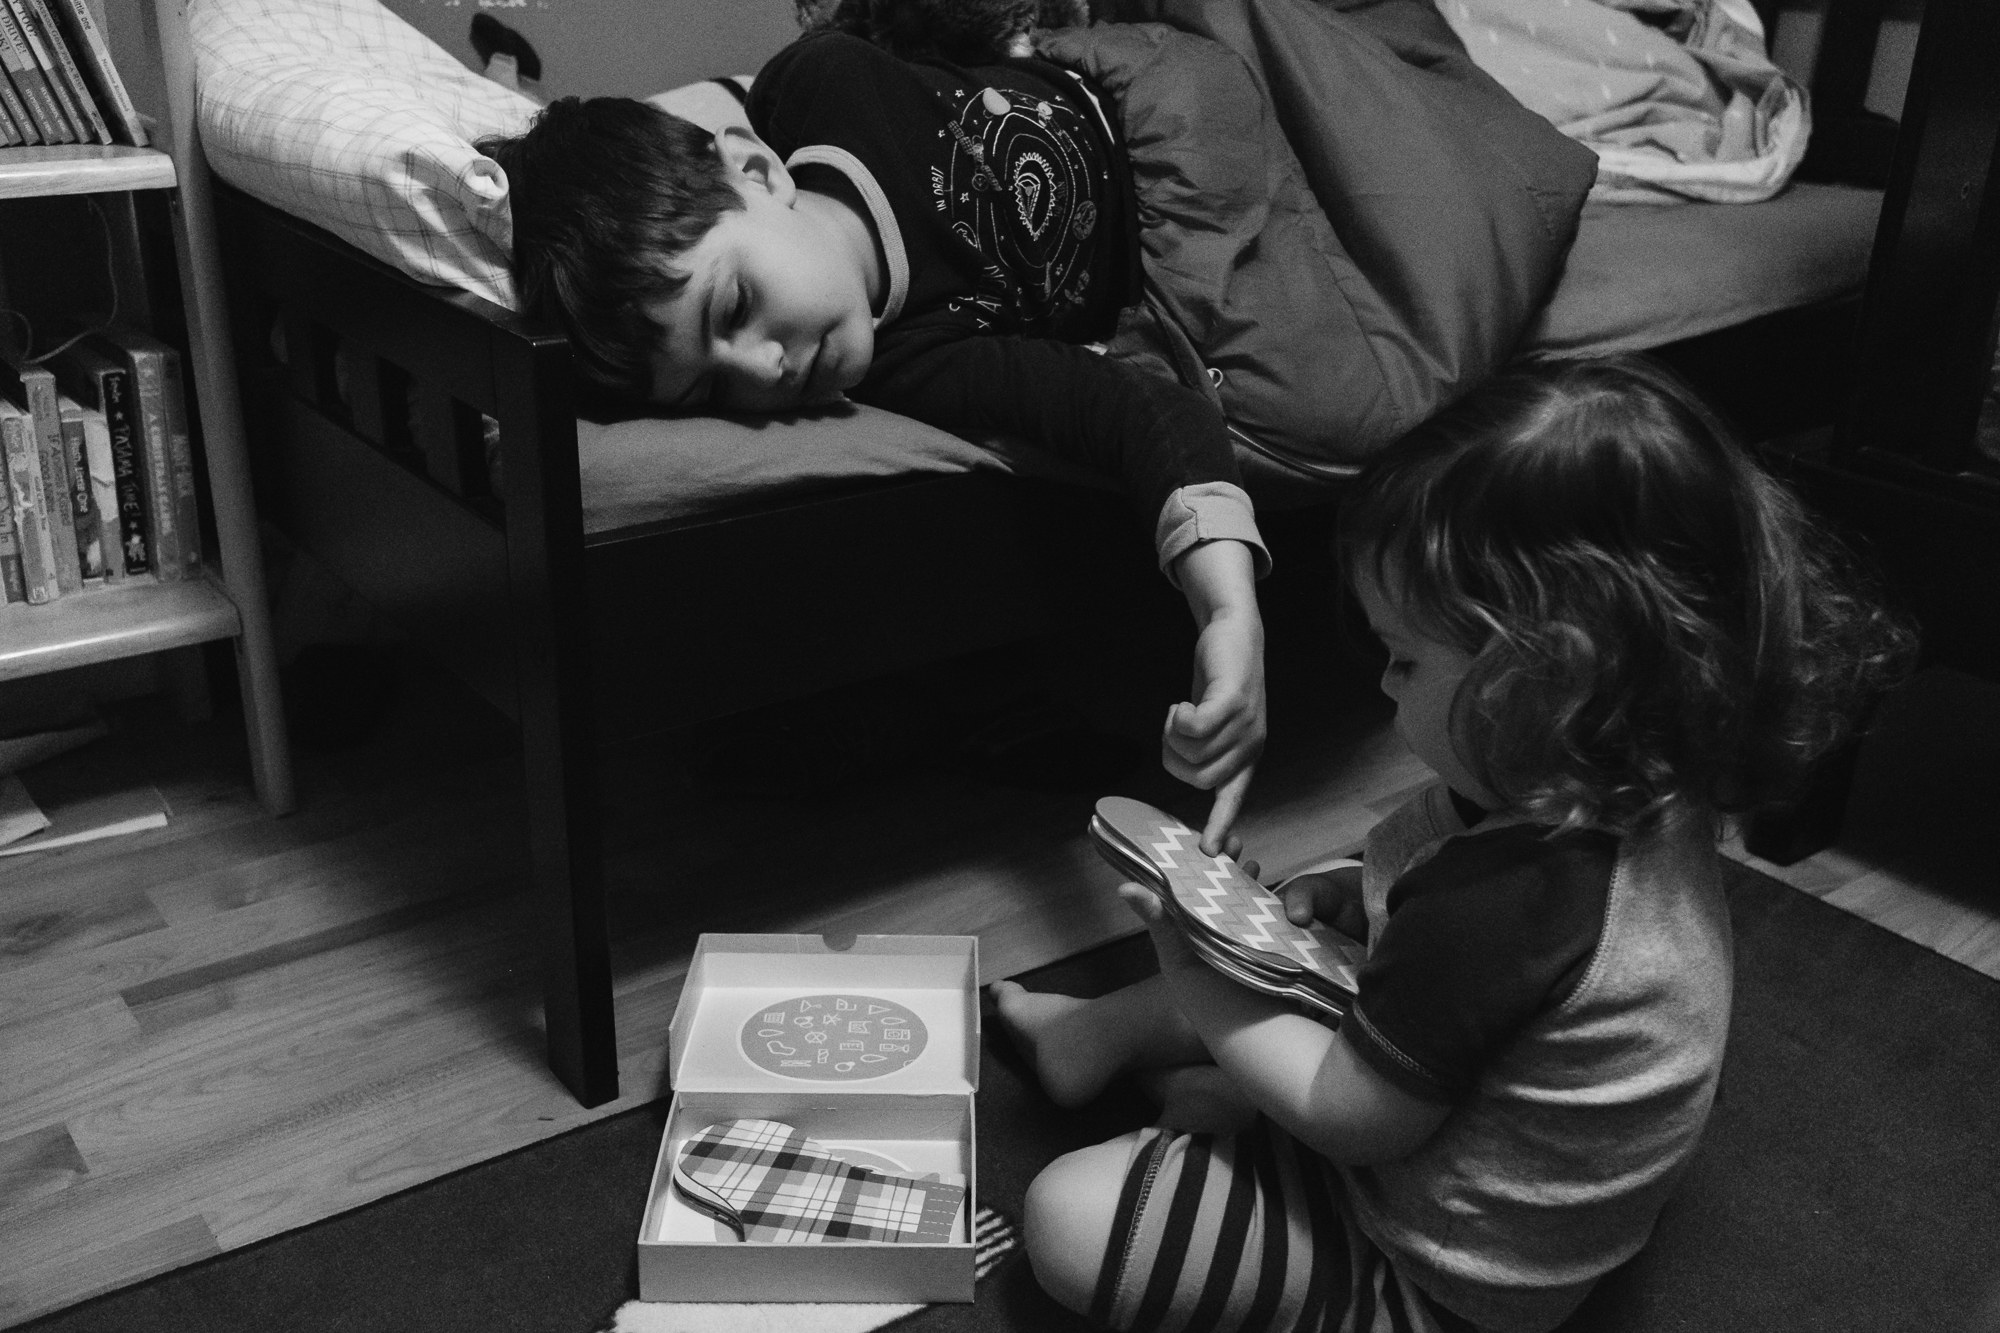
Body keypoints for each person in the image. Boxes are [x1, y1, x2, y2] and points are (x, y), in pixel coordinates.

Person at [479, 0, 1597, 851]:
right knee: (1347, 404)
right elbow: (1130, 408)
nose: (763, 369)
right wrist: (1227, 612)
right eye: (711, 388)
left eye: (730, 307)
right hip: (1208, 231)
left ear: (755, 174)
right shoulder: (919, 360)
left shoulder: (817, 82)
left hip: (1178, 85)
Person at [992, 355, 1914, 1332]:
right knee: (1279, 951)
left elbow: (1351, 1117)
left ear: (1543, 678)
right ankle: (1095, 1044)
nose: (1382, 684)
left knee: (1066, 1216)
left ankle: (1228, 1153)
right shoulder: (1626, 784)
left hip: (1431, 1274)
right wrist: (1360, 890)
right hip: (1465, 1137)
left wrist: (1195, 981)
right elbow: (1505, 987)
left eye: (1404, 655)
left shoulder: (1509, 901)